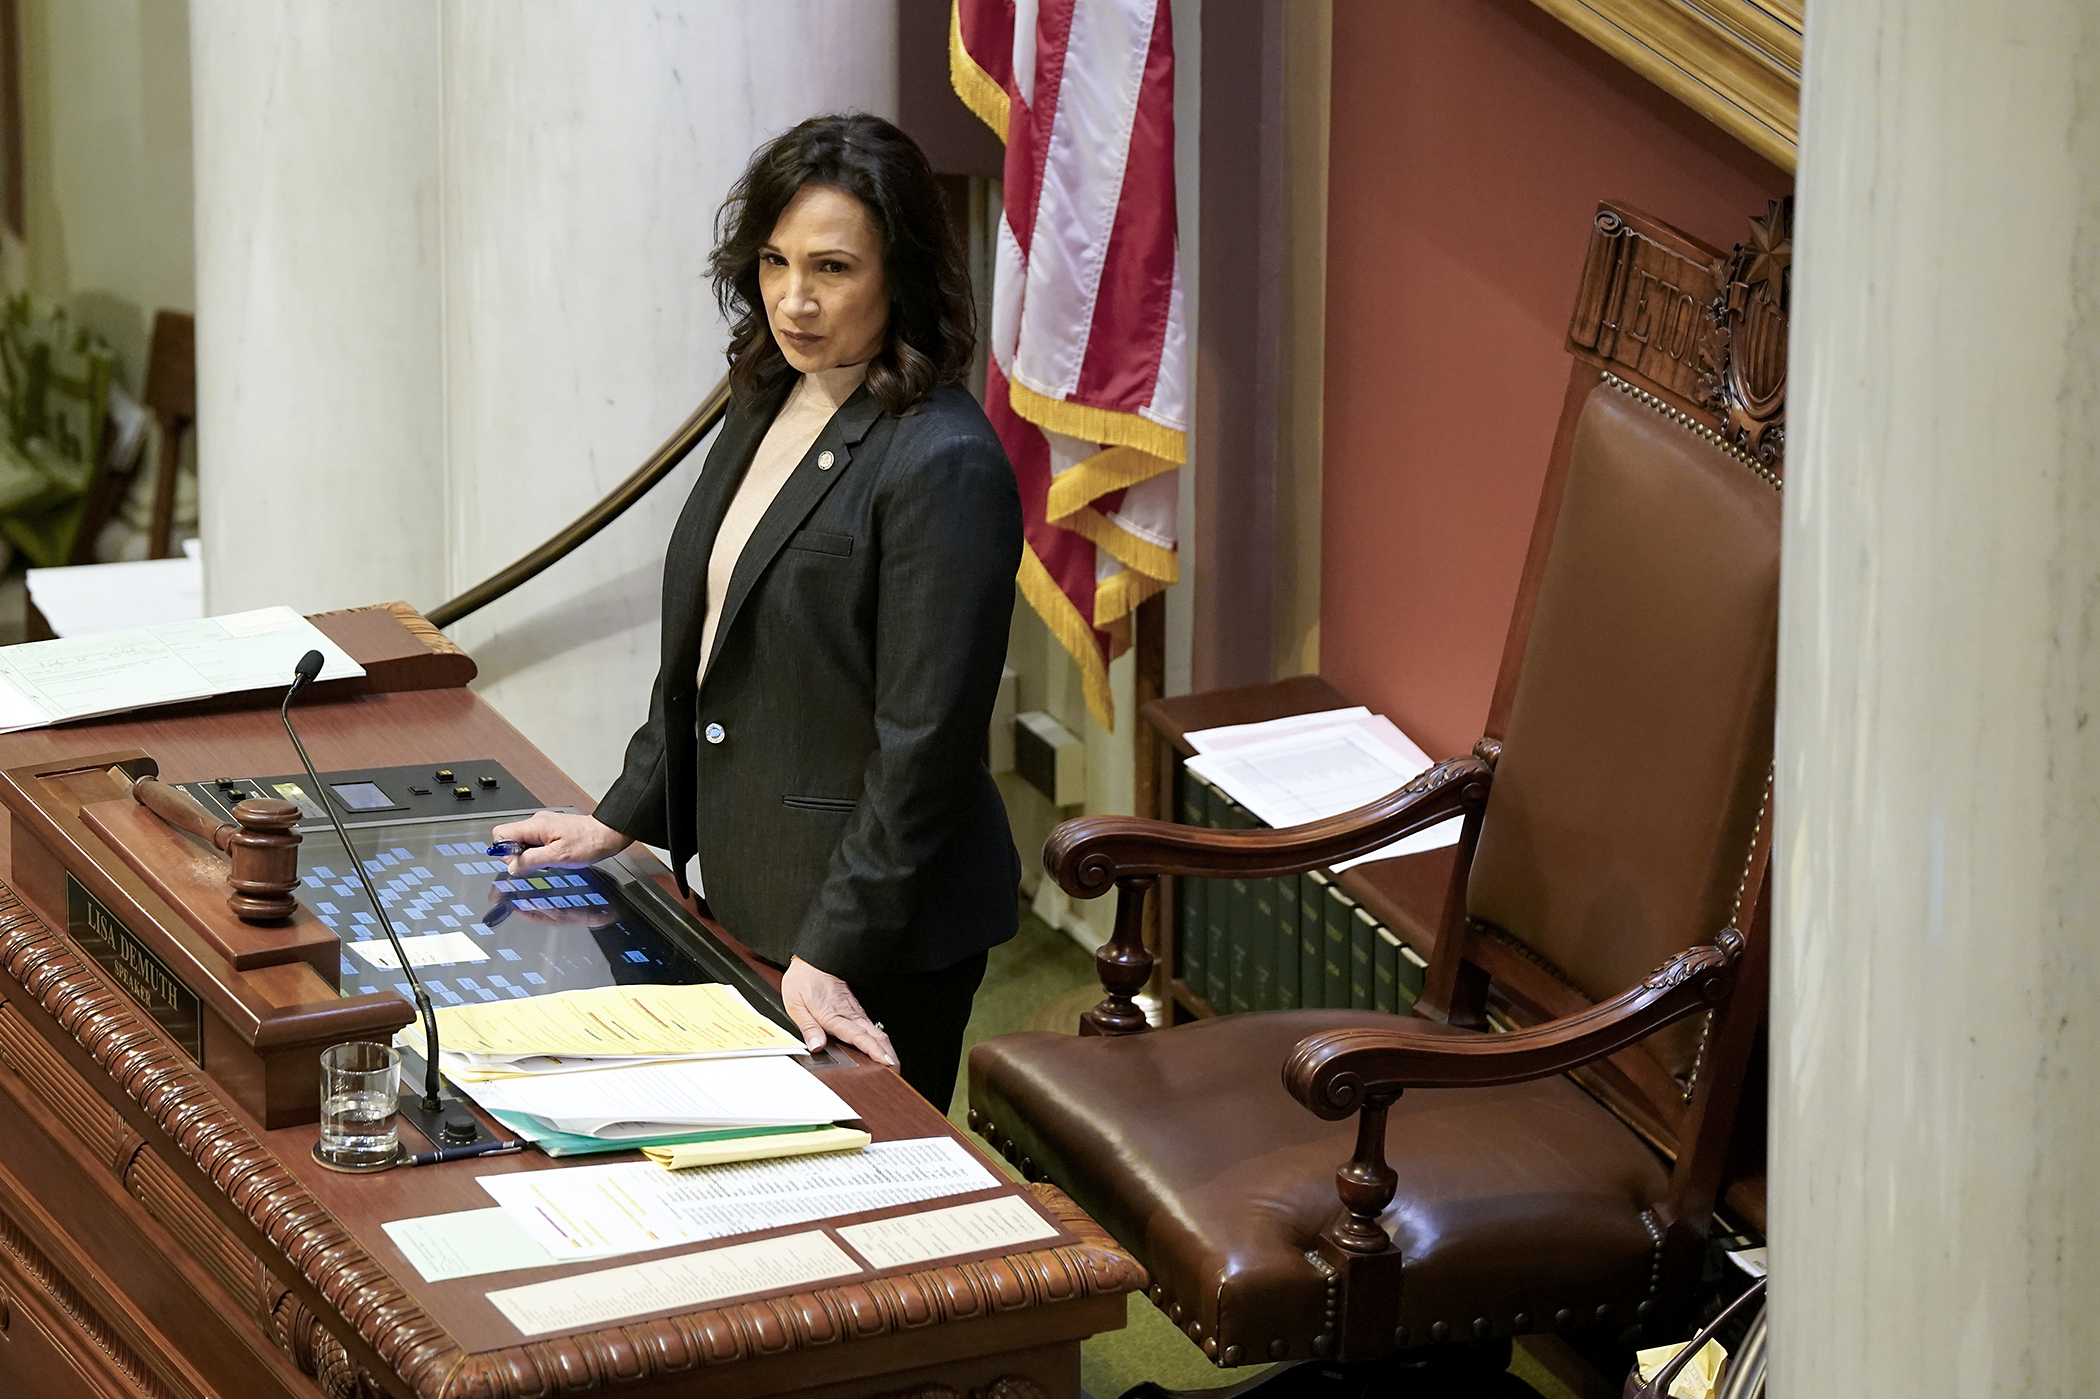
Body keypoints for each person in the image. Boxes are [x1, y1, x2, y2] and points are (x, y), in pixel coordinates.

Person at [492, 114, 1022, 1108]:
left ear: (899, 274)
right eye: (775, 262)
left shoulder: (943, 462)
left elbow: (927, 749)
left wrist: (831, 948)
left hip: (875, 931)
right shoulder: (770, 391)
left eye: (831, 268)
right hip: (744, 888)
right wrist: (623, 817)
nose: (794, 299)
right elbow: (709, 649)